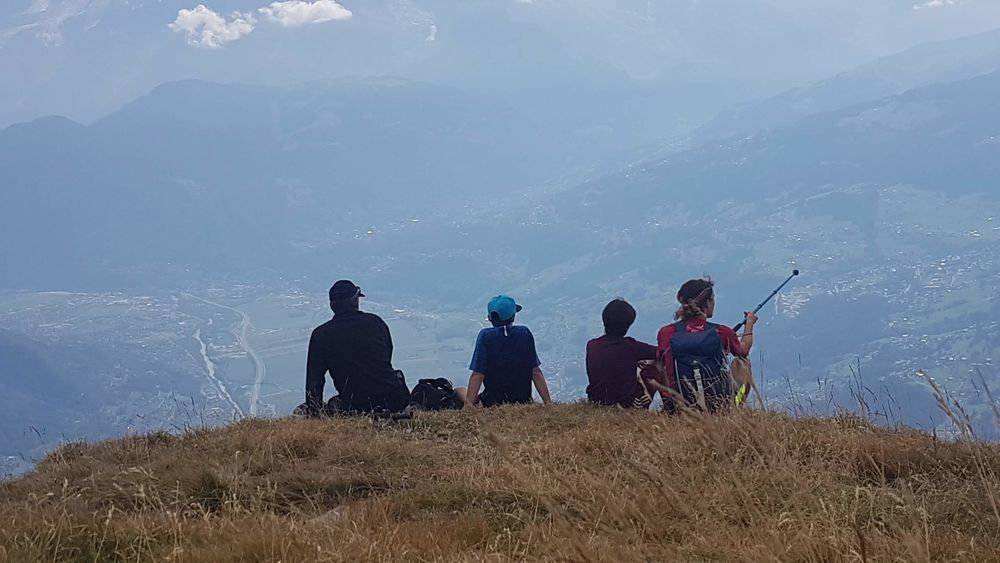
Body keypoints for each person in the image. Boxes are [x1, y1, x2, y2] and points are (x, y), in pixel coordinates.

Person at [296, 280, 411, 416]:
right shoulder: (376, 323)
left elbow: (314, 380)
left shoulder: (320, 334)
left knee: (332, 403)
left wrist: (314, 412)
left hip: (353, 405)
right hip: (394, 400)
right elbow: (387, 356)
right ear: (355, 300)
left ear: (332, 305)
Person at [656, 277, 757, 413]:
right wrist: (749, 323)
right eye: (713, 299)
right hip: (717, 403)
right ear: (708, 302)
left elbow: (661, 365)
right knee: (742, 362)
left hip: (678, 404)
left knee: (659, 363)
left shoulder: (666, 332)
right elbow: (743, 351)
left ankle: (669, 405)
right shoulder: (721, 331)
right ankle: (734, 405)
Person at [464, 295, 552, 408]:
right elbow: (535, 372)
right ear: (513, 317)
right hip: (523, 400)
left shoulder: (486, 336)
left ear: (490, 318)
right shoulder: (524, 333)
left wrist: (468, 406)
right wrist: (548, 403)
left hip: (492, 402)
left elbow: (478, 375)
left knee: (459, 391)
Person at [586, 299, 668, 409]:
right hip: (627, 405)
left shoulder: (592, 345)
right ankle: (670, 406)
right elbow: (663, 353)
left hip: (596, 401)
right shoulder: (631, 347)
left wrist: (632, 361)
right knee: (658, 363)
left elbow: (612, 359)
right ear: (628, 326)